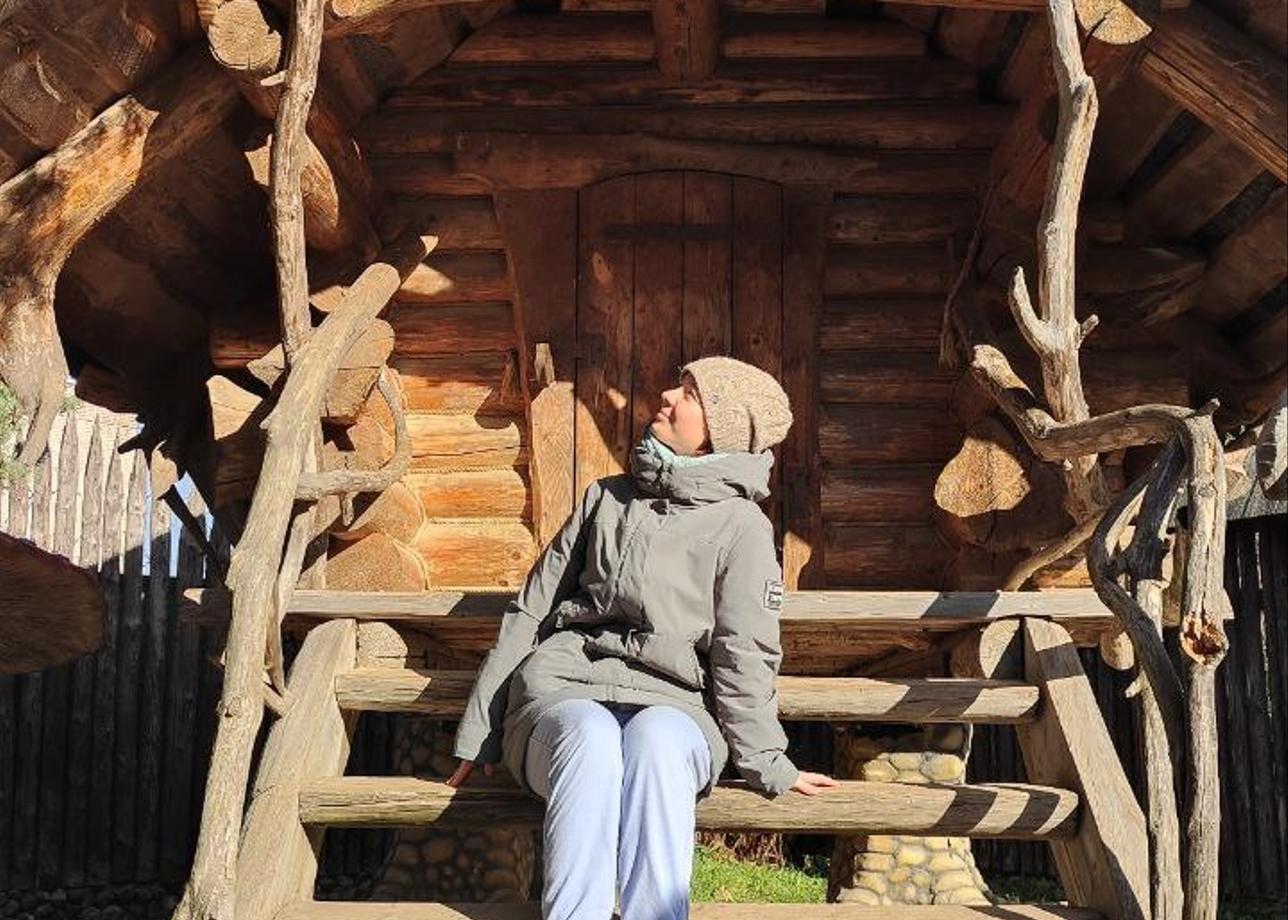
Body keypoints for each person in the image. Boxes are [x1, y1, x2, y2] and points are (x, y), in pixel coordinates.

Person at [447, 355, 838, 919]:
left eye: (688, 394)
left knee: (657, 741)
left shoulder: (742, 527)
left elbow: (744, 653)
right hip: (564, 691)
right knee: (588, 737)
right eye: (677, 386)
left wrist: (769, 762)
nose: (666, 397)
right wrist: (480, 732)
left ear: (717, 433)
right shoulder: (605, 498)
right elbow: (532, 610)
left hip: (675, 702)